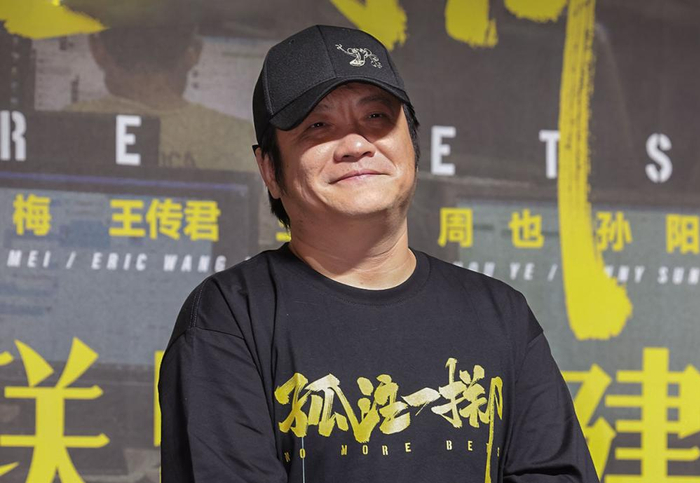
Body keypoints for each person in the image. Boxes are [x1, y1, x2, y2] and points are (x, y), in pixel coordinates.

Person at [159, 25, 599, 483]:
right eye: (318, 126)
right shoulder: (230, 316)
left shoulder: (501, 315)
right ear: (270, 169)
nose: (355, 145)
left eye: (376, 117)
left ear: (412, 141)